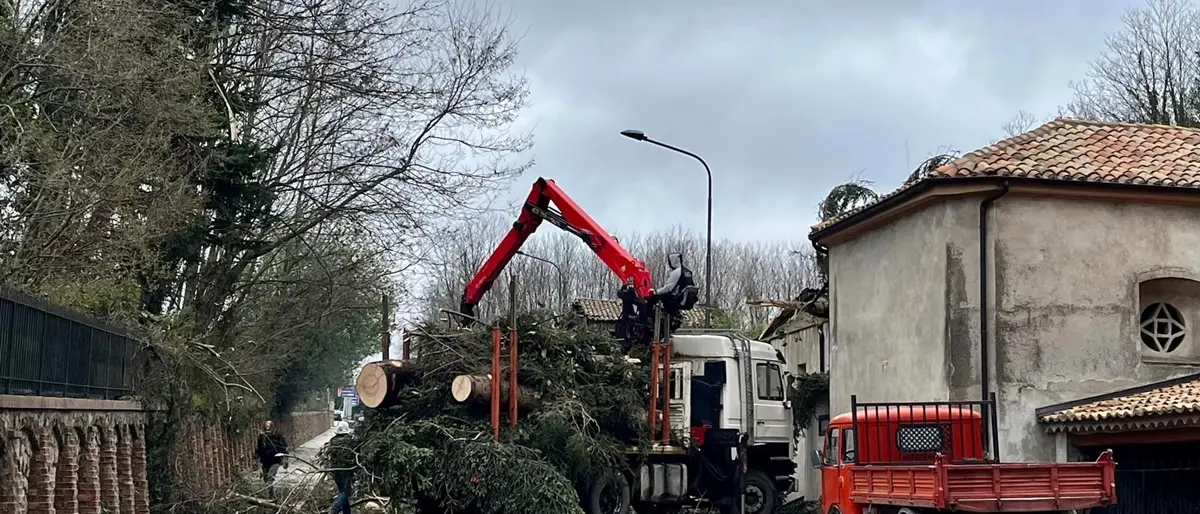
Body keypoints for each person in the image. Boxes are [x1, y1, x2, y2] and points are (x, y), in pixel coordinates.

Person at [325, 421, 356, 514]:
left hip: (335, 470)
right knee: (346, 492)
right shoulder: (349, 441)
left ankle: (347, 512)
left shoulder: (332, 440)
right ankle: (335, 508)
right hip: (346, 470)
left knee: (342, 491)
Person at [255, 420, 289, 500]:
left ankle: (271, 497)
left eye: (269, 427)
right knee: (266, 479)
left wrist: (285, 460)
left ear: (272, 427)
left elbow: (285, 448)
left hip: (275, 461)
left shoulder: (278, 435)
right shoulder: (262, 437)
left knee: (270, 478)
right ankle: (272, 497)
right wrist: (257, 460)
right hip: (265, 461)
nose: (268, 430)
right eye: (266, 428)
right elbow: (258, 449)